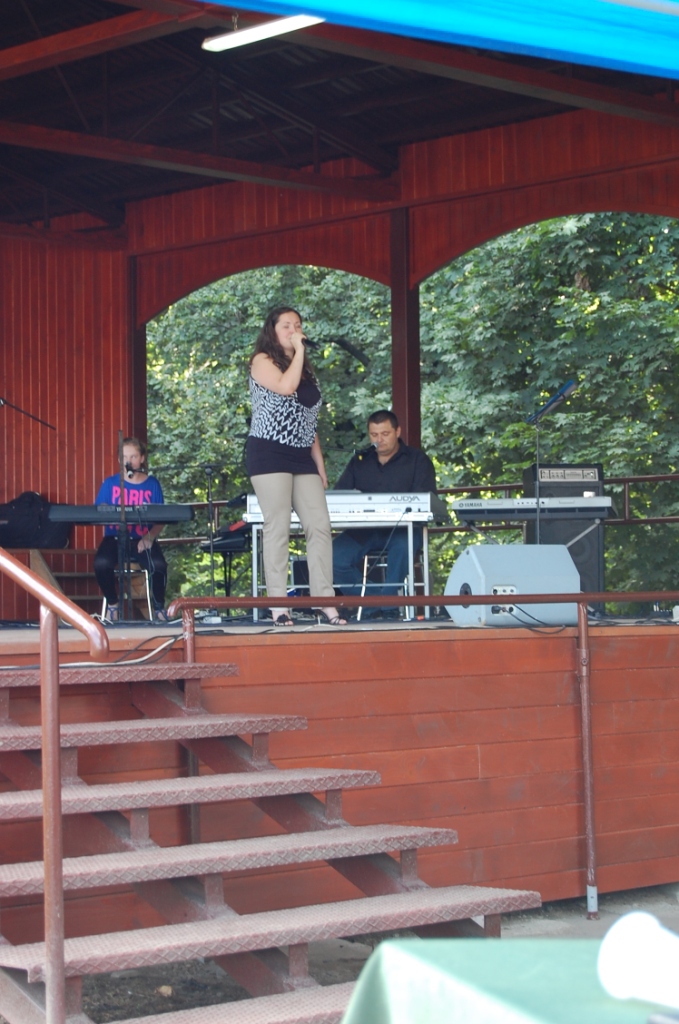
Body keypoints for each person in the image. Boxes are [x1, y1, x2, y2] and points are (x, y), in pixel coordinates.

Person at [246, 306, 346, 626]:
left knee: (319, 525)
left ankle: (324, 601)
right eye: (286, 326)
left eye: (298, 325)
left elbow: (307, 420)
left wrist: (319, 465)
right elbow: (285, 387)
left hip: (302, 454)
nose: (294, 330)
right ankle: (278, 605)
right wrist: (300, 351)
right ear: (272, 331)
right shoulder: (262, 360)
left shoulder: (304, 369)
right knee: (278, 527)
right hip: (269, 451)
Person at [332, 410, 436, 618]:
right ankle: (375, 602)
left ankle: (388, 607)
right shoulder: (360, 461)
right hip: (364, 529)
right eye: (374, 435)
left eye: (385, 434)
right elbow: (340, 495)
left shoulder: (417, 460)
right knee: (330, 556)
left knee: (403, 548)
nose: (379, 440)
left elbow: (425, 501)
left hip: (403, 529)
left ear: (397, 432)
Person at [93, 437, 168, 622]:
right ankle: (113, 605)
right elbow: (98, 512)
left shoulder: (152, 484)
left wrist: (149, 537)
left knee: (159, 565)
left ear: (142, 458)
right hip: (114, 538)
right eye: (125, 457)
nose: (129, 461)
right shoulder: (110, 484)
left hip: (142, 539)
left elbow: (162, 517)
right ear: (120, 460)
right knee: (101, 563)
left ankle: (159, 608)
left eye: (133, 456)